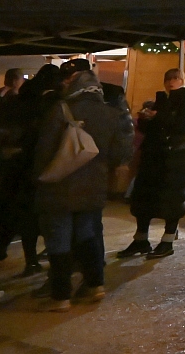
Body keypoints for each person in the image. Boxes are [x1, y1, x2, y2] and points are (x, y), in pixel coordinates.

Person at [33, 67, 133, 310]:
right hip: (94, 185)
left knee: (59, 238)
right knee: (88, 235)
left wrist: (40, 176)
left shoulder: (61, 109)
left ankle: (60, 296)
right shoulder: (111, 114)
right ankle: (95, 285)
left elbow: (45, 149)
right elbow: (119, 153)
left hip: (61, 185)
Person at [0, 64, 60, 273]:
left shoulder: (18, 100)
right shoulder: (49, 103)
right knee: (37, 217)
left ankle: (28, 259)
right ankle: (43, 259)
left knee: (20, 214)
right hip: (34, 166)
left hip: (14, 167)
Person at [120, 68, 185, 259]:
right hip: (154, 156)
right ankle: (141, 239)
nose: (171, 82)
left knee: (172, 200)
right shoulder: (162, 99)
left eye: (175, 78)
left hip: (177, 156)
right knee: (144, 199)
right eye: (168, 79)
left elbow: (184, 125)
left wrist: (158, 116)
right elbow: (154, 128)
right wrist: (146, 119)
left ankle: (167, 240)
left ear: (182, 80)